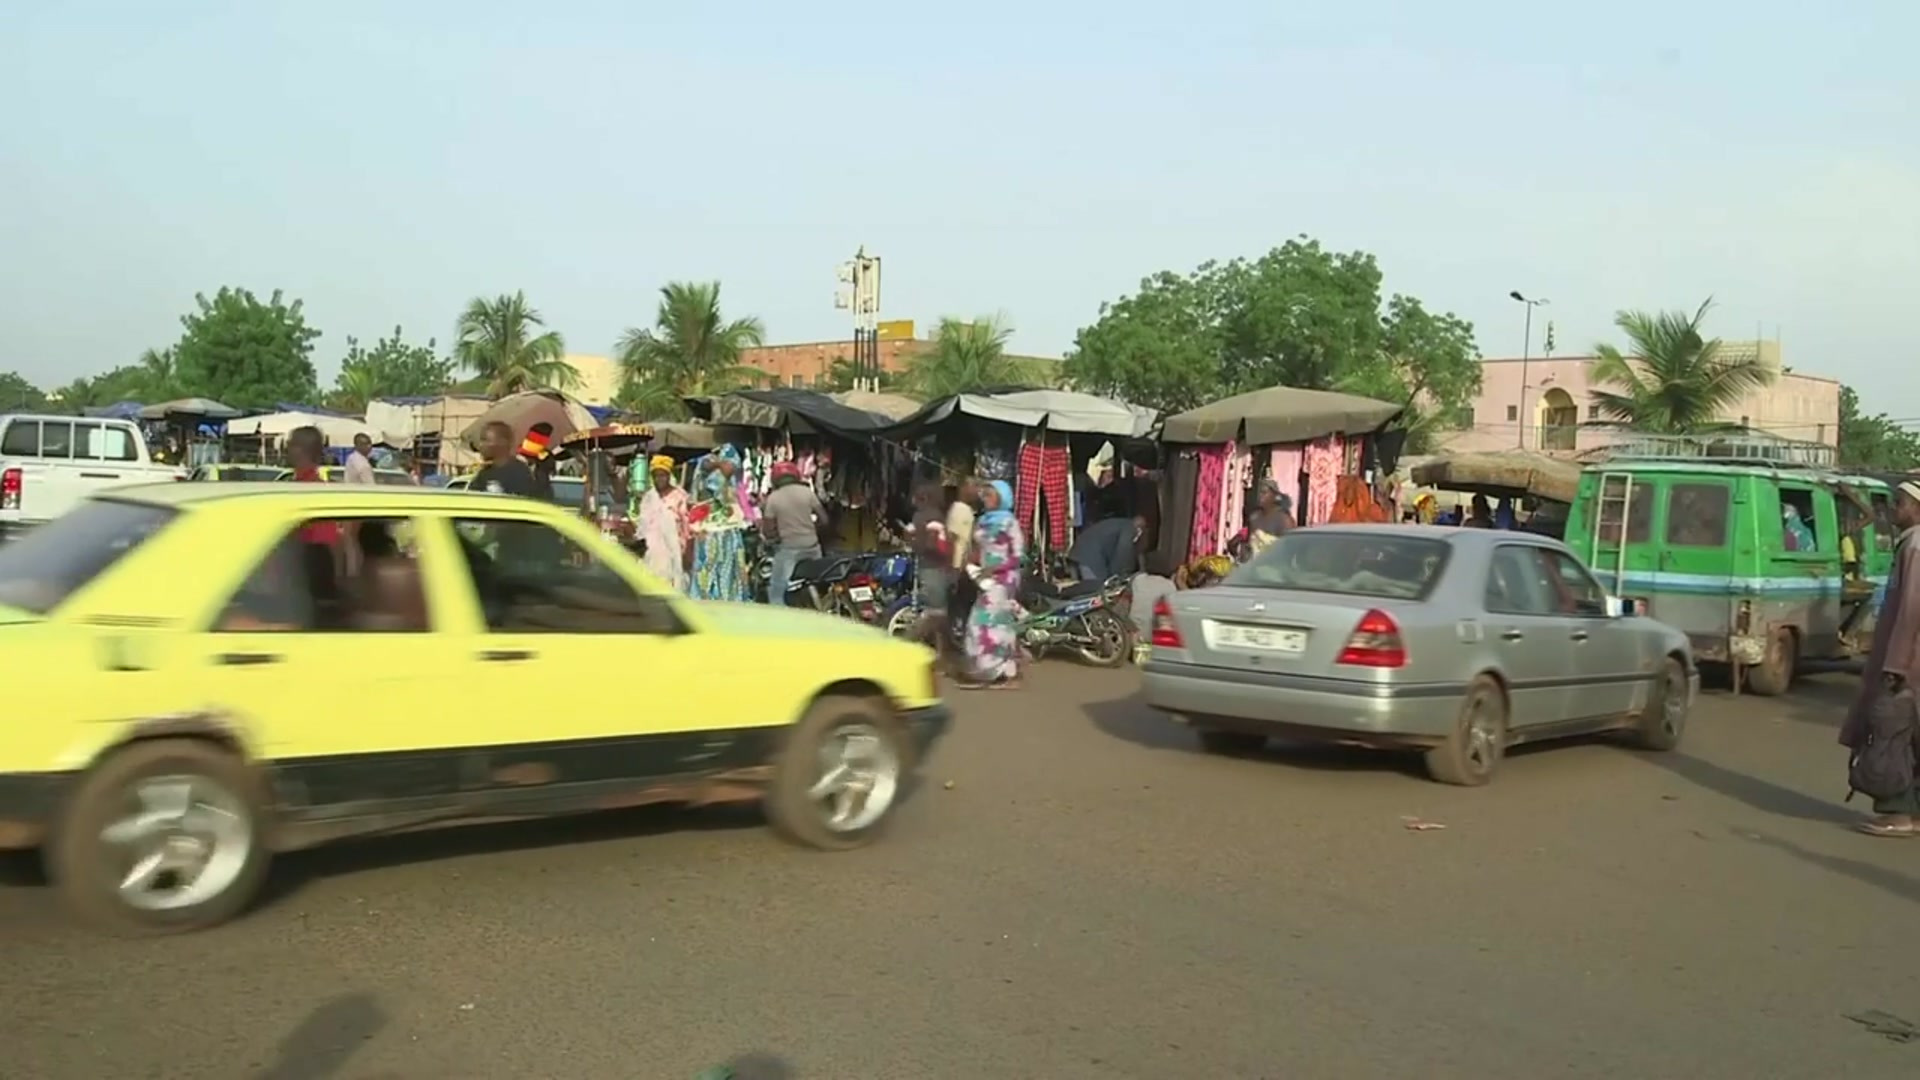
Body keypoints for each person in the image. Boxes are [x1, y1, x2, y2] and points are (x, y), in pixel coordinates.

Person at [1841, 480, 1920, 836]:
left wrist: (1896, 665)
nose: (1892, 509)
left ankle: (1897, 813)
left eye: (1900, 502)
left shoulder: (1915, 547)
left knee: (1891, 735)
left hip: (1907, 665)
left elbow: (1910, 612)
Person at [961, 480, 1024, 690]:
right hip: (986, 579)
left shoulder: (1009, 522)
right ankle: (1005, 673)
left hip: (1004, 579)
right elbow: (979, 549)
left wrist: (994, 569)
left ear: (1002, 497)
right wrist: (972, 561)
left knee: (980, 623)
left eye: (990, 494)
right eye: (984, 494)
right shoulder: (983, 521)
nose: (985, 497)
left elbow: (1017, 556)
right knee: (999, 624)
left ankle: (991, 672)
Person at [688, 444, 751, 602]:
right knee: (710, 572)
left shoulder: (727, 474)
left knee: (727, 573)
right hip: (711, 531)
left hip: (726, 530)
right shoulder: (710, 472)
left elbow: (727, 469)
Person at [760, 461, 825, 606]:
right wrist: (812, 529)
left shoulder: (773, 498)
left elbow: (768, 530)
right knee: (820, 582)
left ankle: (781, 622)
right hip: (813, 547)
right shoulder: (807, 493)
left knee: (776, 590)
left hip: (790, 549)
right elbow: (824, 519)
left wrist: (773, 538)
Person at [907, 483, 953, 654]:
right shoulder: (935, 517)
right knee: (937, 613)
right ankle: (907, 641)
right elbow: (938, 546)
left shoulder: (918, 517)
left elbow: (913, 541)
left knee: (939, 614)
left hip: (924, 565)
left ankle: (941, 653)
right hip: (935, 568)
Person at [635, 454, 690, 592]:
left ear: (668, 475)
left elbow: (686, 525)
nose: (659, 479)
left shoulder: (679, 496)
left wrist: (685, 549)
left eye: (663, 475)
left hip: (673, 551)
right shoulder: (649, 497)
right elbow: (642, 524)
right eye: (656, 475)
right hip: (652, 552)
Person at [1067, 495, 1141, 581]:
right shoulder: (1129, 527)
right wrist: (1123, 573)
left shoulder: (1118, 523)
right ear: (1140, 529)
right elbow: (1124, 550)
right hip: (1090, 558)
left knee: (1081, 589)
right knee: (1096, 590)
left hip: (1077, 552)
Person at [471, 421, 538, 498]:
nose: (480, 445)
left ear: (502, 442)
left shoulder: (520, 473)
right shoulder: (484, 474)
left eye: (485, 440)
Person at [1247, 478, 1293, 552]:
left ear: (1274, 496)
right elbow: (1249, 545)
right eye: (1259, 493)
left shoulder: (1284, 520)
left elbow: (1289, 548)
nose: (1260, 496)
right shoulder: (1254, 518)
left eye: (1264, 492)